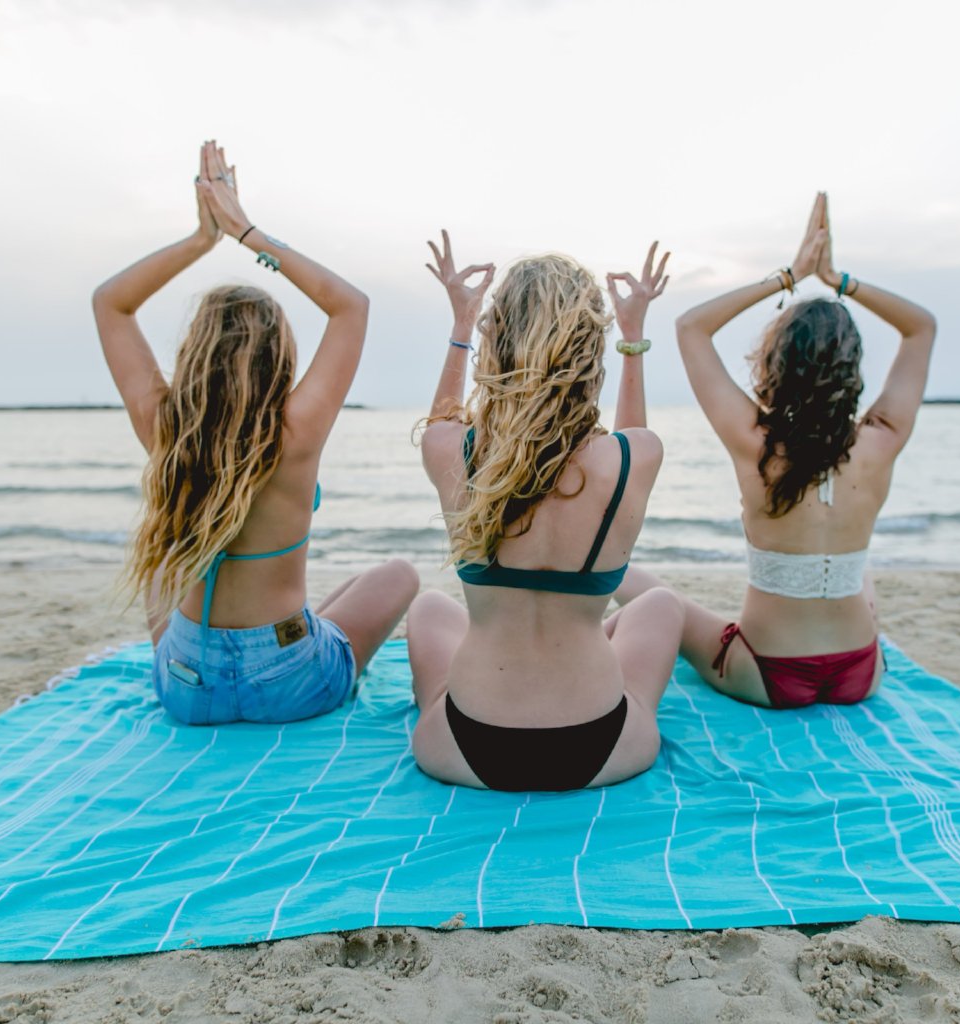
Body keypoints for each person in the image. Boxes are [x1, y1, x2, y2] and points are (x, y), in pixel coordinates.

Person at [93, 141, 418, 725]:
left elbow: (110, 304)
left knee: (165, 575)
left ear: (193, 354)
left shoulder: (166, 429)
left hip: (187, 689)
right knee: (398, 575)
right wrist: (248, 233)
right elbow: (352, 307)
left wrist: (202, 238)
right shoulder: (296, 433)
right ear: (280, 355)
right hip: (291, 681)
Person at [619, 193, 936, 709]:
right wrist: (838, 280)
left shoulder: (755, 441)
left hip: (766, 674)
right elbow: (921, 326)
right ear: (852, 368)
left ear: (775, 363)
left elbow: (691, 326)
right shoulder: (882, 438)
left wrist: (790, 275)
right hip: (861, 671)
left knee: (652, 592)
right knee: (859, 573)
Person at [407, 232, 680, 790]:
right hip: (601, 747)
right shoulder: (633, 460)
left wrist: (462, 326)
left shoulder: (449, 452)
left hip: (466, 745)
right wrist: (633, 339)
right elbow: (633, 436)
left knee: (429, 610)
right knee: (660, 606)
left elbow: (442, 425)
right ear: (588, 352)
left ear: (496, 342)